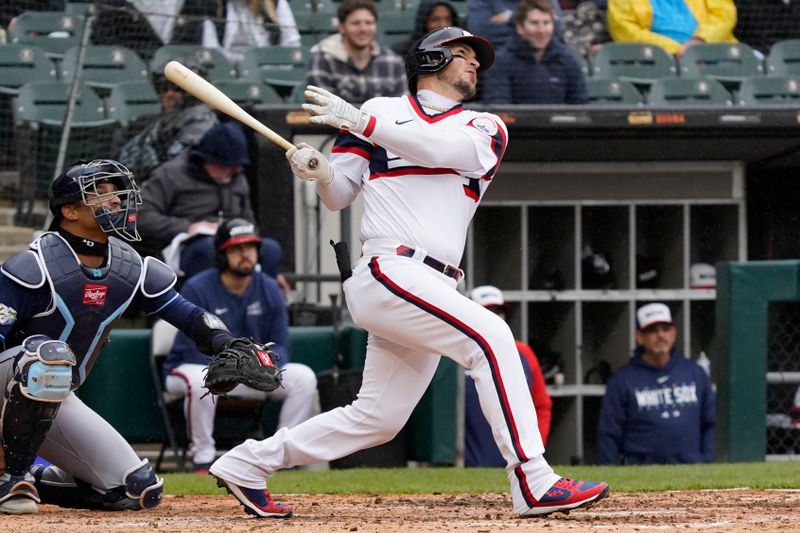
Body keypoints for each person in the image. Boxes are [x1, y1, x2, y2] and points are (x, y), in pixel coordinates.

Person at [208, 26, 609, 519]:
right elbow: (339, 194)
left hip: (434, 282)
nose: (475, 64)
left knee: (377, 419)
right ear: (432, 59)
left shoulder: (485, 126)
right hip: (389, 269)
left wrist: (362, 124)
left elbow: (441, 151)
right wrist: (318, 171)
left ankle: (249, 462)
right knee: (491, 338)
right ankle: (533, 479)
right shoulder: (379, 110)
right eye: (463, 55)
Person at [0, 159, 277, 514]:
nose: (115, 200)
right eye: (98, 194)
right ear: (69, 211)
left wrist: (227, 342)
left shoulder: (128, 268)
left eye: (115, 192)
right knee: (49, 357)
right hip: (10, 385)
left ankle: (35, 480)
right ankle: (12, 475)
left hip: (50, 394)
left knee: (136, 490)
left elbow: (188, 314)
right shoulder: (35, 266)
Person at [163, 219, 317, 473]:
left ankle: (281, 455)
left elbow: (281, 345)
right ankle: (203, 457)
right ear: (223, 254)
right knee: (196, 379)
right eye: (236, 248)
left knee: (304, 377)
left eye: (250, 247)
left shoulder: (269, 288)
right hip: (196, 367)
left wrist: (264, 363)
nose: (245, 254)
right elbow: (189, 347)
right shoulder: (198, 287)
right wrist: (233, 367)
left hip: (251, 369)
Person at [136, 121, 284, 283]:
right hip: (187, 245)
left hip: (234, 240)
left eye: (238, 167)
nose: (235, 171)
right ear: (207, 161)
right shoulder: (170, 174)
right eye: (228, 167)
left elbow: (249, 220)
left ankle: (261, 298)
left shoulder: (237, 177)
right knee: (208, 249)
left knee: (270, 250)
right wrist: (187, 227)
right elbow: (141, 216)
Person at [596, 302, 716, 465]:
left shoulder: (695, 373)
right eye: (652, 330)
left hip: (690, 467)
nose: (660, 335)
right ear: (639, 337)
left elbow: (710, 423)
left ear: (674, 333)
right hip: (640, 470)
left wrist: (706, 460)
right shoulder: (622, 380)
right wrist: (609, 471)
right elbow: (609, 434)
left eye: (665, 329)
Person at [465, 285, 552, 467]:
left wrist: (532, 451)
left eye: (498, 311)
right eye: (487, 311)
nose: (495, 317)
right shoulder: (454, 354)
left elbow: (541, 406)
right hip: (467, 466)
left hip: (513, 463)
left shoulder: (523, 353)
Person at [118, 52, 219, 181]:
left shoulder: (201, 122)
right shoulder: (161, 122)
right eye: (164, 87)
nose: (169, 94)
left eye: (176, 88)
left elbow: (178, 168)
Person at [482, 0, 588, 105]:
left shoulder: (568, 60)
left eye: (546, 23)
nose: (541, 31)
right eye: (534, 23)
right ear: (520, 27)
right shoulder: (501, 63)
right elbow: (498, 106)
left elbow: (580, 108)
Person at [306, 0, 407, 106]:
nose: (363, 29)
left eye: (369, 23)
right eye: (355, 23)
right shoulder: (323, 60)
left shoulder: (393, 61)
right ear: (342, 28)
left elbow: (401, 109)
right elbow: (322, 107)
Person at [607, 0, 737, 57]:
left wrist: (699, 41)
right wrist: (676, 50)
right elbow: (627, 32)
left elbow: (724, 16)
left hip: (714, 51)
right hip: (655, 59)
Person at [201, 0, 302, 63]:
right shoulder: (214, 6)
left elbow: (292, 44)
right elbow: (211, 49)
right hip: (228, 69)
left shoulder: (277, 2)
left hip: (267, 67)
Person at [468, 0, 564, 50]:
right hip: (499, 59)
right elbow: (479, 32)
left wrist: (510, 17)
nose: (540, 30)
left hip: (544, 57)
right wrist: (530, 31)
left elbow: (557, 29)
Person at [390, 0, 460, 60]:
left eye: (448, 19)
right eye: (435, 19)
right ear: (423, 22)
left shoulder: (461, 51)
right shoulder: (401, 53)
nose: (443, 25)